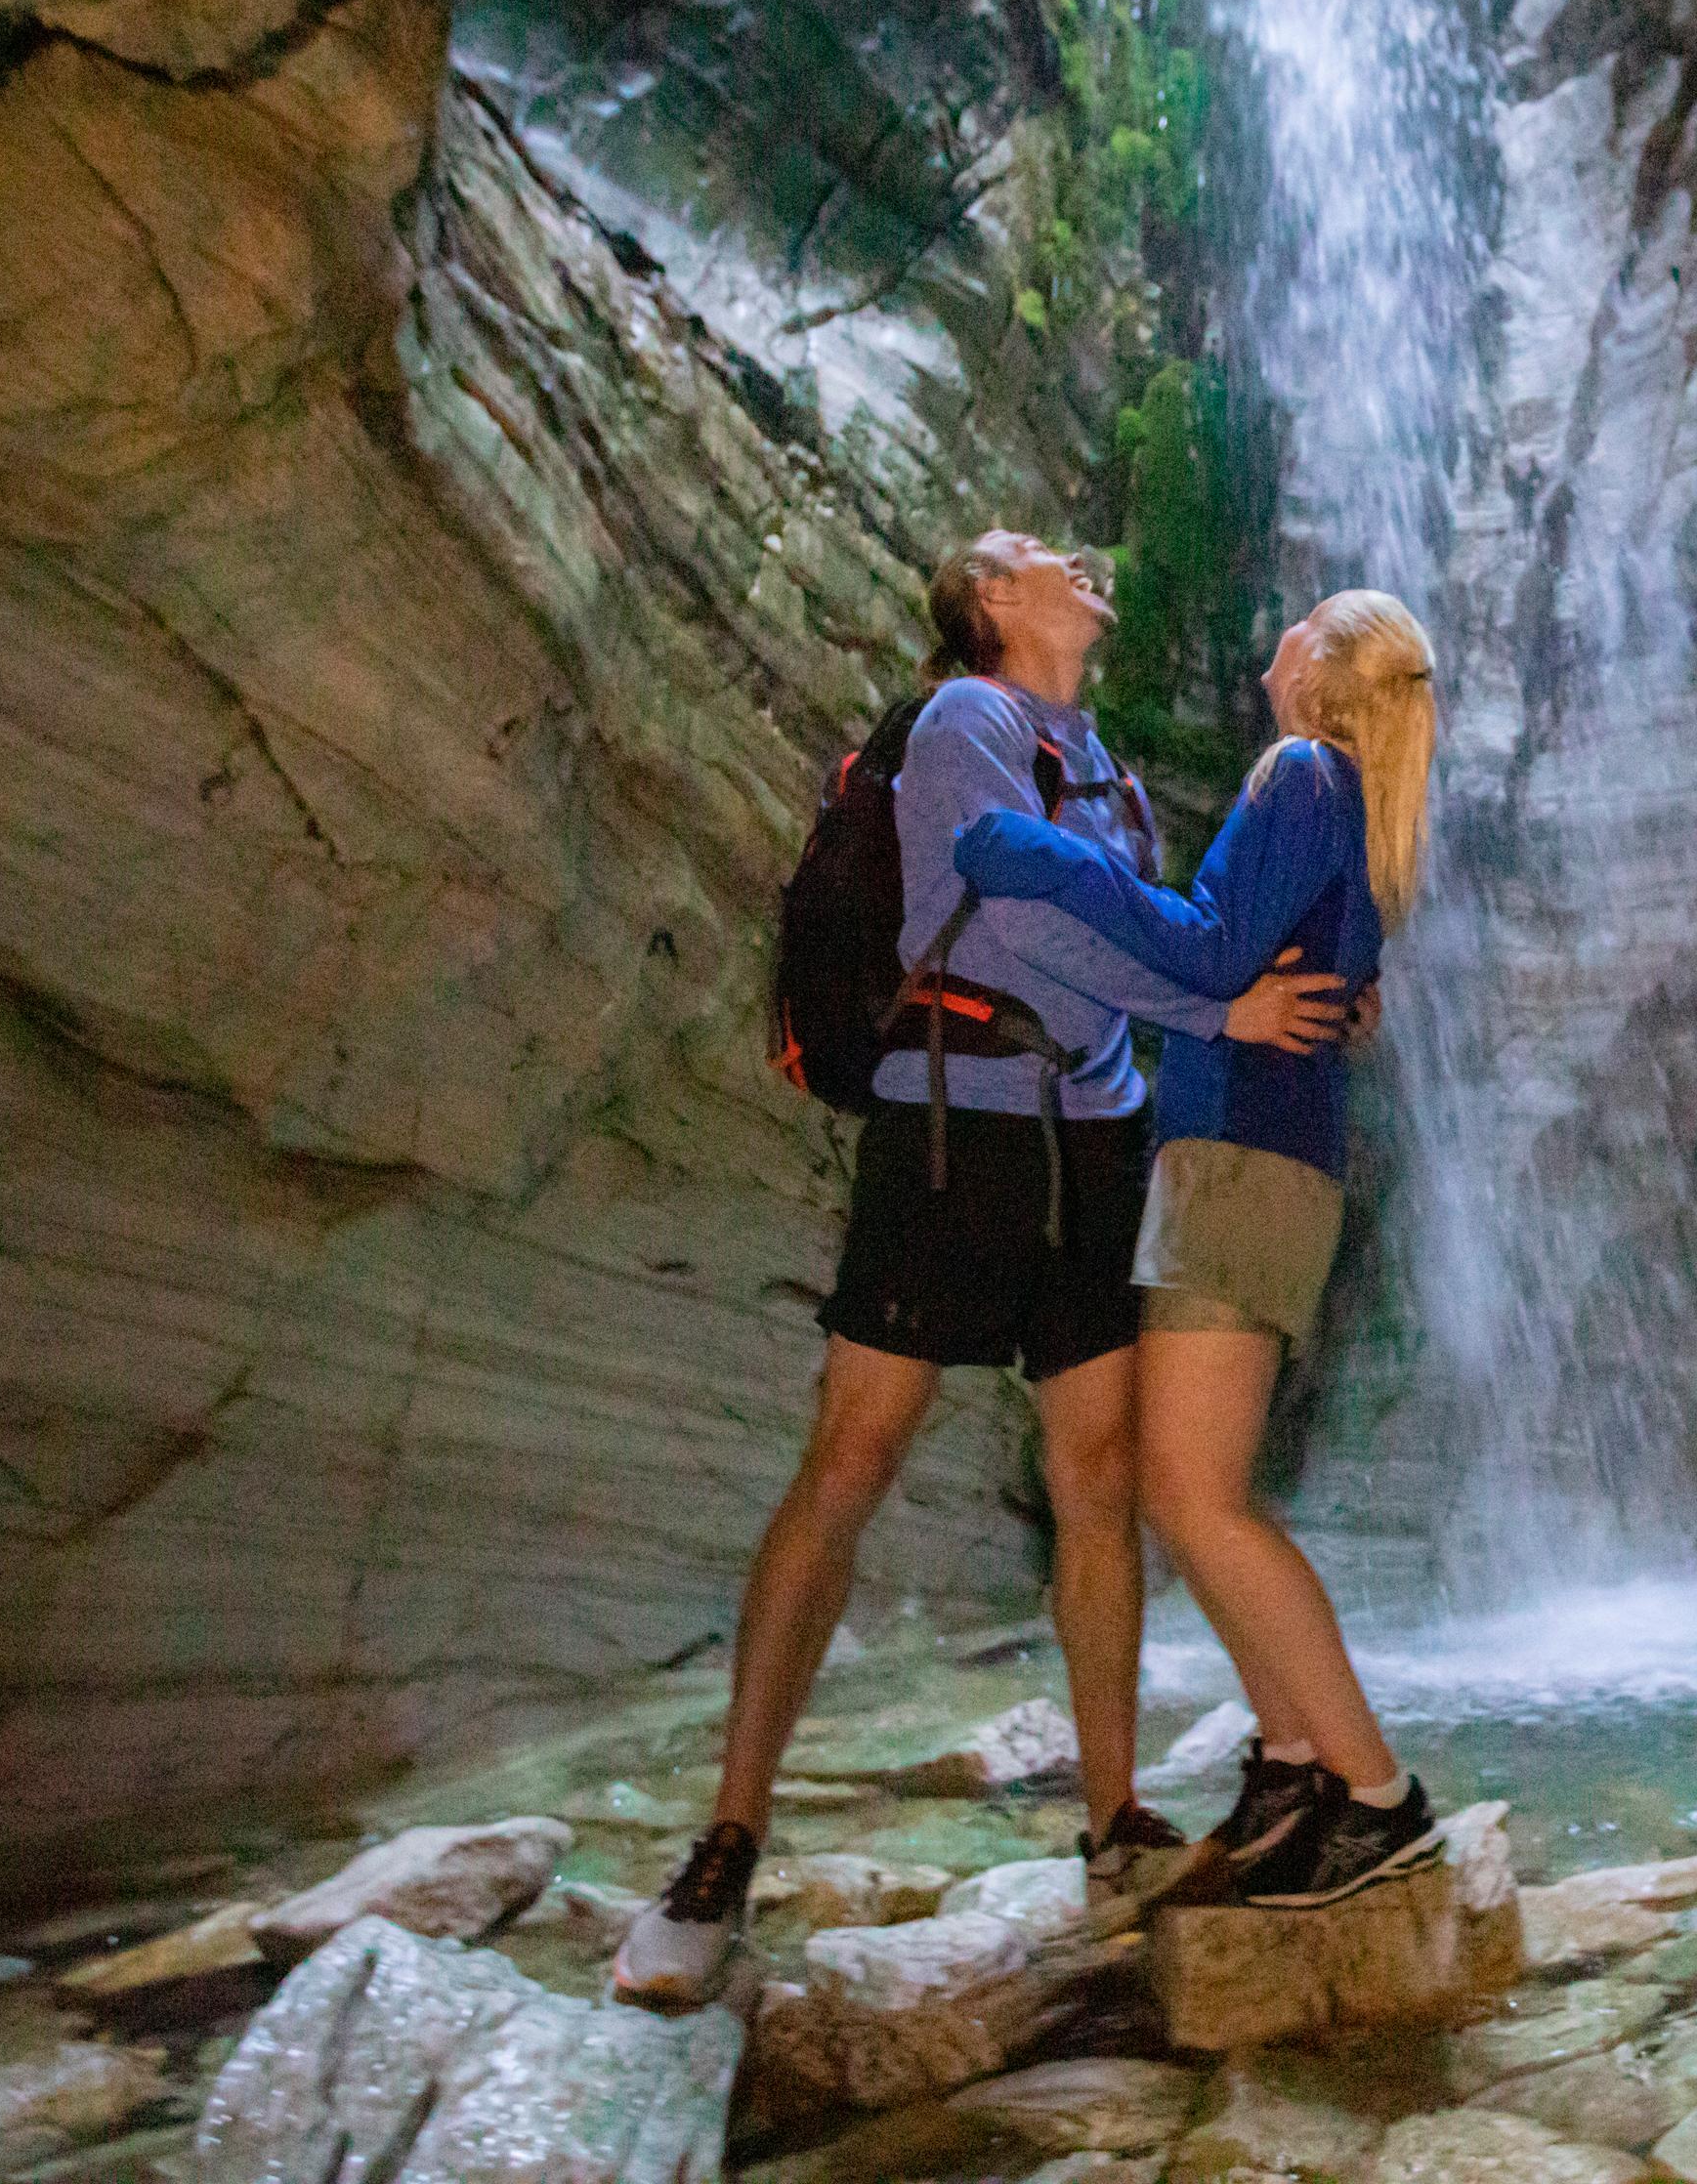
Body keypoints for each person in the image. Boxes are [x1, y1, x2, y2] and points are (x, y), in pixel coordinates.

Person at [613, 531, 1351, 2009]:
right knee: (854, 1455)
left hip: (1098, 1141)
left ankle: (1117, 1820)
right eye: (1038, 557)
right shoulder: (966, 719)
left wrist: (1323, 981)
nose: (1080, 561)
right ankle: (728, 1841)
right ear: (994, 603)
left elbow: (1180, 938)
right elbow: (1014, 919)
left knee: (1099, 1474)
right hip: (956, 1124)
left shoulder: (1109, 770)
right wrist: (1214, 1018)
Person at [951, 589, 1446, 1907]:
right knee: (1194, 1495)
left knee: (1198, 1498)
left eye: (1297, 625)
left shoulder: (1301, 773)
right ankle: (1293, 1764)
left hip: (1239, 1165)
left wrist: (1040, 855)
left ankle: (1379, 1798)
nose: (1269, 636)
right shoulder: (1357, 806)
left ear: (1326, 666)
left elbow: (1214, 952)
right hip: (1263, 1162)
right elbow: (1277, 975)